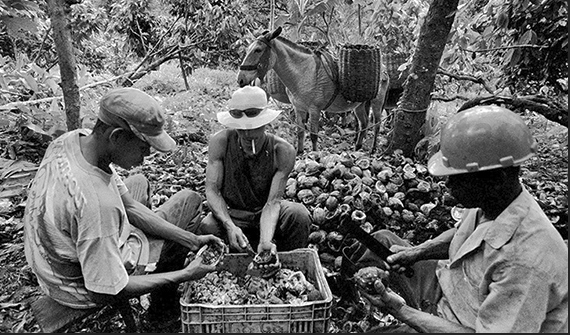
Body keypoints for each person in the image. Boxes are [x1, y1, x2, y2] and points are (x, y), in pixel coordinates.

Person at [352, 105, 568, 332]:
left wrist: (401, 311)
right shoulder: (495, 201)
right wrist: (417, 251)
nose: (448, 185)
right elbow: (463, 234)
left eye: (458, 179)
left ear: (497, 179)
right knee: (382, 241)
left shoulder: (526, 262)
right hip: (451, 290)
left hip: (464, 324)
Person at [24, 87, 223, 313]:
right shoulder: (96, 206)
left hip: (50, 266)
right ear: (116, 136)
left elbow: (129, 206)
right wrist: (185, 274)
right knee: (189, 201)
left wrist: (192, 240)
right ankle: (161, 309)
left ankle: (160, 256)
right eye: (143, 146)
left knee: (138, 181)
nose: (147, 154)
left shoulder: (72, 139)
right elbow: (106, 291)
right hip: (76, 288)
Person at [199, 85, 311, 276]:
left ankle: (286, 266)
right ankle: (225, 271)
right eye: (241, 129)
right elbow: (212, 191)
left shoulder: (282, 151)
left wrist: (265, 241)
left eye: (253, 127)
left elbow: (273, 202)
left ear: (266, 122)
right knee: (207, 225)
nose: (247, 134)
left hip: (265, 212)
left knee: (298, 214)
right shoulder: (220, 142)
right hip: (233, 214)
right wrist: (229, 225)